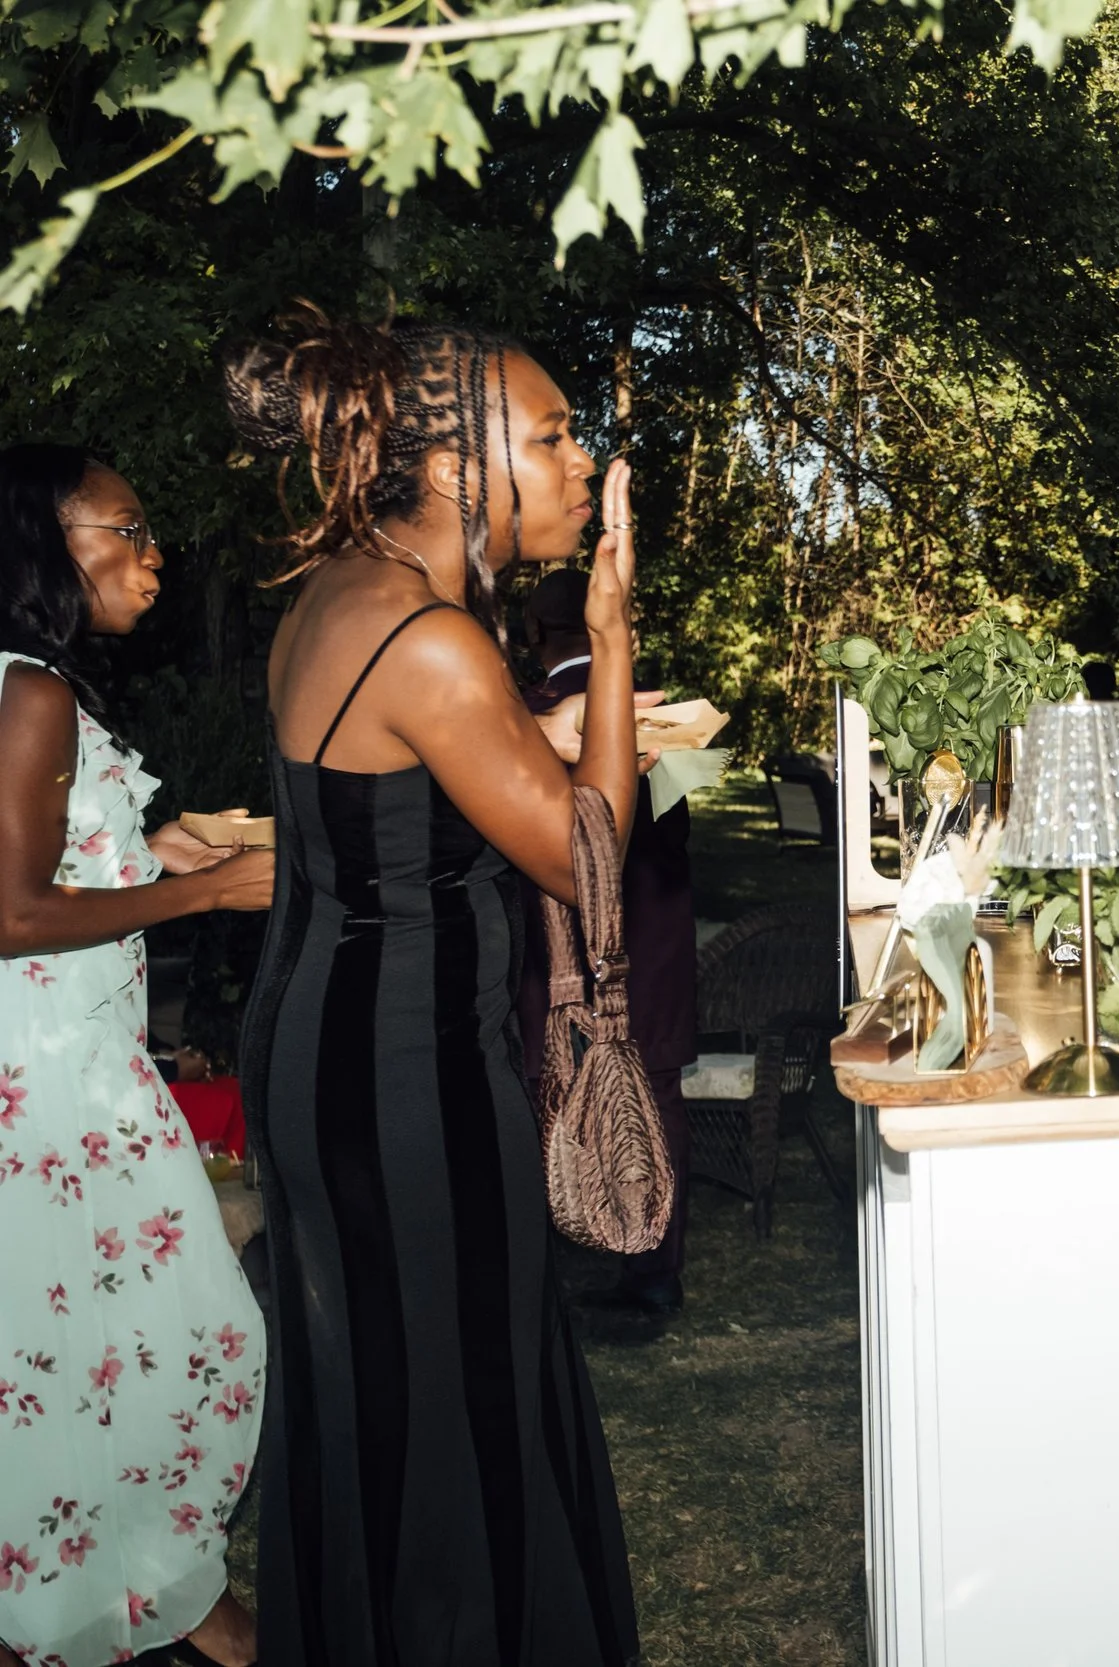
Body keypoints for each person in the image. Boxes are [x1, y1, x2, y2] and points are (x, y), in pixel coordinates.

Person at [228, 313, 642, 1666]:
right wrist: (612, 630)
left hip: (331, 1053)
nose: (582, 461)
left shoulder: (343, 592)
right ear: (462, 464)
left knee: (382, 1396)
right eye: (552, 435)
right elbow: (592, 855)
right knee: (456, 1403)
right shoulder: (428, 634)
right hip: (399, 1076)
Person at [0, 443, 273, 1667]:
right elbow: (7, 912)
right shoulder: (32, 692)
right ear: (50, 545)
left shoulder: (27, 683)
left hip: (66, 1060)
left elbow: (50, 867)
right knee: (181, 1336)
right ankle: (121, 1590)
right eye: (127, 528)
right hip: (50, 1078)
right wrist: (206, 894)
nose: (152, 552)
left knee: (64, 1359)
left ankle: (139, 1592)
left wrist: (152, 848)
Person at [518, 567, 697, 1319]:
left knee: (543, 1090)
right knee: (654, 1093)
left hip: (549, 946)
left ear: (534, 638)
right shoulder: (658, 710)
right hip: (647, 932)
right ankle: (653, 1266)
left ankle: (541, 1262)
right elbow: (677, 824)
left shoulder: (519, 714)